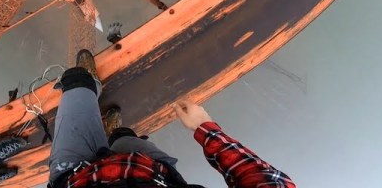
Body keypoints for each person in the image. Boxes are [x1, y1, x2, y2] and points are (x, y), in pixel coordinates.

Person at [49, 50, 296, 188]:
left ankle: (86, 84)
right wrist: (205, 129)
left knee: (76, 83)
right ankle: (117, 134)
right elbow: (266, 181)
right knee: (126, 141)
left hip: (73, 176)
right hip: (150, 169)